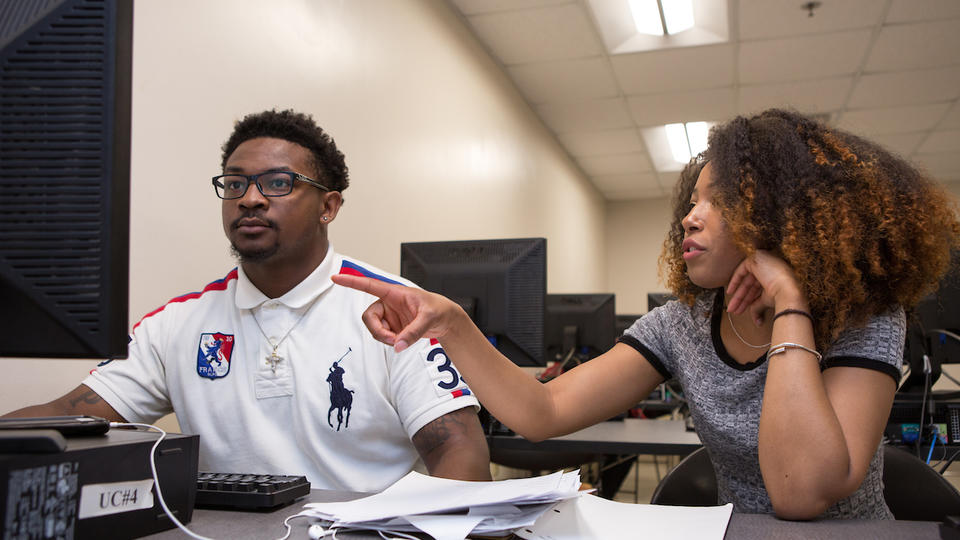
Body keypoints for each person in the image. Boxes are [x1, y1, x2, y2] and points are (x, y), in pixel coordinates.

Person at [332, 109, 960, 519]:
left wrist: (791, 306)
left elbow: (803, 493)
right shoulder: (683, 324)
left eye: (717, 201)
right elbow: (540, 413)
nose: (689, 216)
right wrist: (451, 324)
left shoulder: (866, 316)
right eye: (691, 201)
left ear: (782, 217)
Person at [4, 109, 491, 491]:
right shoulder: (177, 322)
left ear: (329, 206)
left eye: (277, 183)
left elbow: (461, 454)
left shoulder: (397, 313)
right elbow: (74, 413)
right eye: (234, 183)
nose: (250, 198)